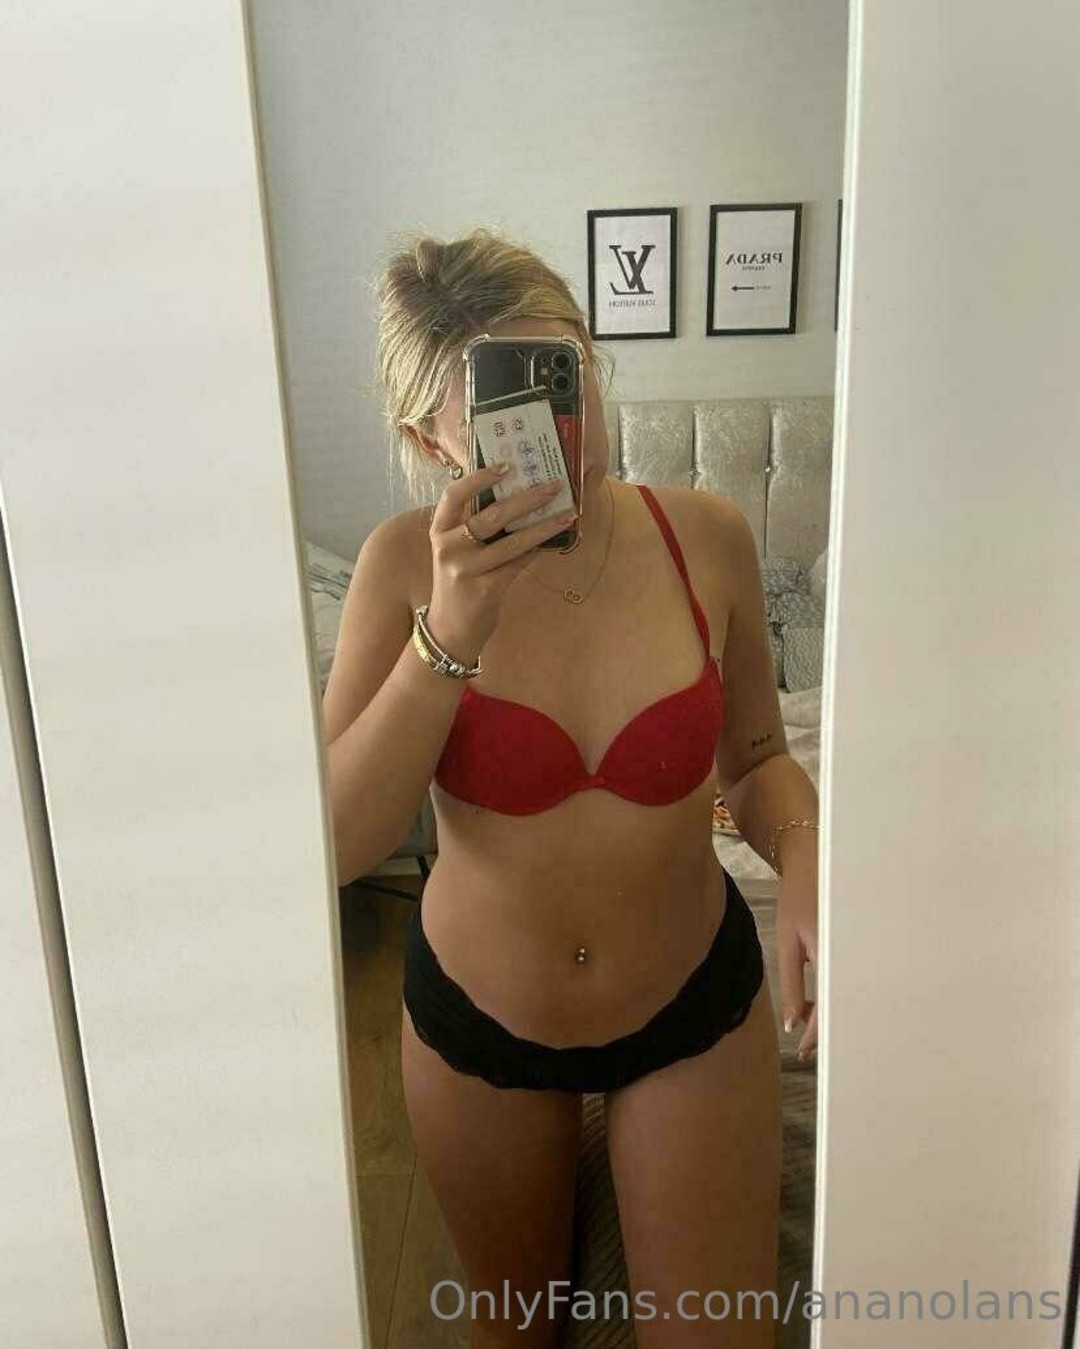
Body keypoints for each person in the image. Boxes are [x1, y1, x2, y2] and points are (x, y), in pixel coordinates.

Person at [322, 228, 820, 1348]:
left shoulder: (707, 537)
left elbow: (756, 762)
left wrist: (808, 855)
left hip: (689, 1004)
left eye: (565, 374)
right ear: (431, 436)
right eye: (506, 401)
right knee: (518, 1335)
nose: (562, 429)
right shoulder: (400, 568)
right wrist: (450, 635)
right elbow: (340, 840)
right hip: (480, 1024)